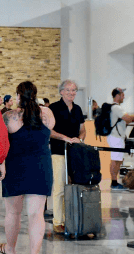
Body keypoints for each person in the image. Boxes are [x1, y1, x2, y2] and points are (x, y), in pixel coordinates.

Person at [0, 81, 55, 254]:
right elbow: (47, 133)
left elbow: (0, 142)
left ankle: (11, 248)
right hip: (41, 167)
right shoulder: (47, 114)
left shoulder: (9, 117)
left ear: (19, 96)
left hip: (15, 167)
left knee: (13, 212)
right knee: (36, 214)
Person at [48, 80, 86, 234]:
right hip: (58, 151)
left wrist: (80, 139)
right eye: (69, 90)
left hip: (74, 152)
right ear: (61, 91)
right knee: (59, 186)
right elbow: (48, 130)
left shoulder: (77, 109)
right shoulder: (53, 108)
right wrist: (64, 138)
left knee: (73, 186)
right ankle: (58, 221)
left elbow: (83, 129)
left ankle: (71, 218)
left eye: (74, 90)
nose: (72, 93)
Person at [108, 88, 134, 190]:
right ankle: (114, 183)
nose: (124, 97)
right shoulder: (117, 108)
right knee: (115, 160)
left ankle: (114, 182)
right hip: (116, 137)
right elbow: (128, 118)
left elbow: (127, 120)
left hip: (116, 137)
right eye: (122, 95)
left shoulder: (115, 108)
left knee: (118, 160)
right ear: (117, 95)